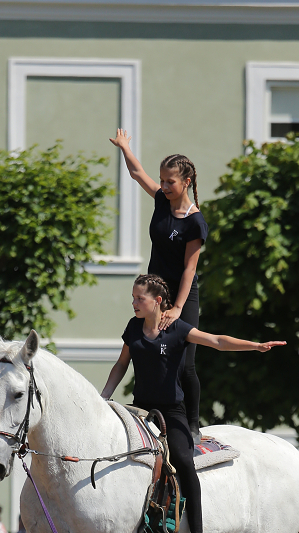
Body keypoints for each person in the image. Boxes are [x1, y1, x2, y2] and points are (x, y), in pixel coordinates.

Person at [101, 274, 285, 533]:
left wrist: (255, 346)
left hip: (171, 411)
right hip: (140, 409)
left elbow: (217, 341)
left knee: (184, 461)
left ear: (157, 301)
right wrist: (105, 397)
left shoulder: (177, 328)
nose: (134, 302)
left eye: (140, 298)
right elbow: (121, 364)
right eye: (133, 297)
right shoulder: (133, 328)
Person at [110, 130, 208, 442]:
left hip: (181, 295)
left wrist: (178, 308)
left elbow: (190, 268)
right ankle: (149, 413)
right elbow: (137, 172)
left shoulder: (195, 221)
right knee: (148, 350)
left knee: (185, 363)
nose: (164, 186)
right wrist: (125, 147)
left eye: (170, 182)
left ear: (187, 183)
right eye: (162, 181)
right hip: (156, 294)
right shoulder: (161, 202)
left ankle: (191, 425)